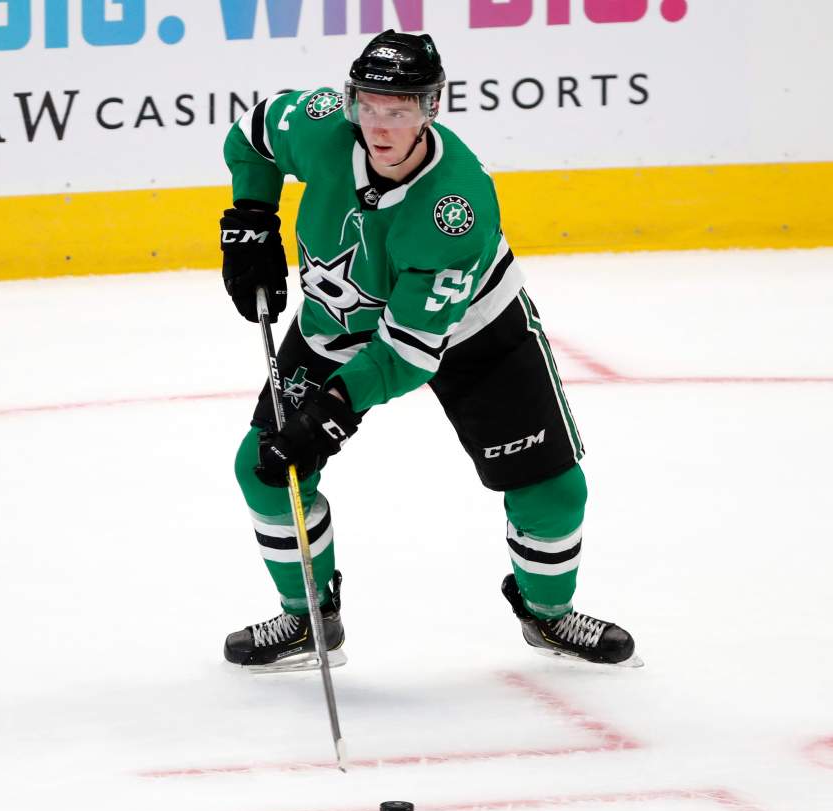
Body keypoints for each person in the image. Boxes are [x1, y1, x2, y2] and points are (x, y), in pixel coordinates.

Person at [218, 30, 638, 672]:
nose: (379, 125)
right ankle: (308, 619)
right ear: (351, 99)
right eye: (369, 103)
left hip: (472, 331)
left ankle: (548, 614)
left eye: (400, 108)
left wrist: (330, 414)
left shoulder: (456, 205)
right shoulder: (322, 123)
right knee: (265, 467)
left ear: (432, 108)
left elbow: (409, 353)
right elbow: (249, 138)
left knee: (552, 492)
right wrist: (251, 218)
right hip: (339, 316)